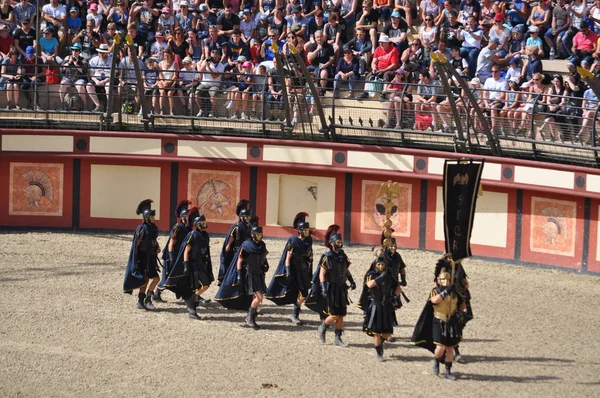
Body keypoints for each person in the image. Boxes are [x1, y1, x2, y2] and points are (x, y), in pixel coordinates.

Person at [411, 266, 466, 381]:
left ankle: (448, 371)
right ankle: (436, 361)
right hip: (439, 321)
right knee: (440, 347)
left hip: (451, 323)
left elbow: (463, 305)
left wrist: (460, 314)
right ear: (439, 280)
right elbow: (434, 301)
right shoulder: (435, 291)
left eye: (447, 279)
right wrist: (446, 291)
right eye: (443, 279)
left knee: (450, 349)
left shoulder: (455, 293)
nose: (445, 281)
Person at [305, 225, 356, 347]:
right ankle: (322, 327)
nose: (340, 244)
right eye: (338, 242)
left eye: (341, 241)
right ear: (332, 243)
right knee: (333, 314)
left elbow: (346, 270)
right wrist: (323, 288)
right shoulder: (327, 257)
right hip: (331, 287)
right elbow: (322, 274)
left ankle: (338, 338)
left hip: (341, 287)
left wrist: (351, 280)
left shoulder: (343, 256)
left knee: (341, 315)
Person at [215, 223, 269, 329]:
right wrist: (239, 275)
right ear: (252, 235)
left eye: (260, 234)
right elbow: (239, 261)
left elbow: (263, 256)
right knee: (259, 297)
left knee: (256, 297)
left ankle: (251, 317)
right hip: (250, 274)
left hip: (259, 273)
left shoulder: (262, 245)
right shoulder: (246, 245)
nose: (259, 236)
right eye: (257, 234)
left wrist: (265, 265)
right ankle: (249, 317)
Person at [164, 207, 214, 320]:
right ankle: (193, 306)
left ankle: (194, 300)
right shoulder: (192, 234)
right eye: (203, 223)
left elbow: (205, 251)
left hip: (201, 264)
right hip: (193, 265)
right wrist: (186, 265)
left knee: (204, 284)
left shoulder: (205, 235)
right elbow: (186, 251)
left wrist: (206, 262)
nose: (205, 224)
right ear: (197, 224)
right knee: (200, 285)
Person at [265, 212, 314, 325]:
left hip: (303, 270)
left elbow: (309, 254)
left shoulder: (309, 241)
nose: (308, 232)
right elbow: (288, 258)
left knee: (304, 293)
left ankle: (294, 313)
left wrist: (309, 265)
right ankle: (295, 315)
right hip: (293, 270)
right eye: (305, 230)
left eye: (308, 230)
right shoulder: (293, 241)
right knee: (296, 292)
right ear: (300, 231)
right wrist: (288, 272)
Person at [123, 199, 162, 311]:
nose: (153, 218)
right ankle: (143, 301)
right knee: (146, 279)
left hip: (151, 257)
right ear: (146, 217)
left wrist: (156, 247)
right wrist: (136, 260)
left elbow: (153, 240)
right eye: (151, 216)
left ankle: (146, 299)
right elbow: (137, 245)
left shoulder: (154, 227)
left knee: (155, 279)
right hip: (143, 258)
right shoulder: (141, 229)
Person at [362, 257, 399, 361]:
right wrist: (381, 277)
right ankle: (379, 353)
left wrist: (393, 297)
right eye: (379, 264)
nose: (381, 266)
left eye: (383, 264)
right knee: (376, 332)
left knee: (388, 332)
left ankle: (379, 343)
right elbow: (370, 284)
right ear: (375, 265)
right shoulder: (371, 275)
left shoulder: (389, 275)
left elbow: (398, 287)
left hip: (386, 305)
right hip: (375, 305)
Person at [156, 199, 191, 302]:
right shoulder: (178, 227)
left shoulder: (189, 228)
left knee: (182, 277)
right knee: (168, 277)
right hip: (171, 256)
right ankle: (156, 294)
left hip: (180, 256)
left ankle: (189, 296)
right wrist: (171, 259)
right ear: (183, 217)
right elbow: (171, 245)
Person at [218, 199, 252, 284]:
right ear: (241, 217)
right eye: (246, 216)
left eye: (248, 216)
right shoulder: (237, 226)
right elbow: (231, 238)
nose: (248, 218)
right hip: (237, 250)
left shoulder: (249, 226)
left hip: (246, 250)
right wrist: (228, 247)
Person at [59, 43, 89, 110]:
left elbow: (84, 71)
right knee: (62, 83)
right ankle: (62, 104)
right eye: (73, 50)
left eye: (76, 50)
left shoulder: (83, 59)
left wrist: (76, 64)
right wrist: (69, 63)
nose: (74, 52)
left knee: (80, 86)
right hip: (68, 78)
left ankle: (85, 106)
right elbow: (62, 69)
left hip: (79, 78)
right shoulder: (68, 58)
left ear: (79, 51)